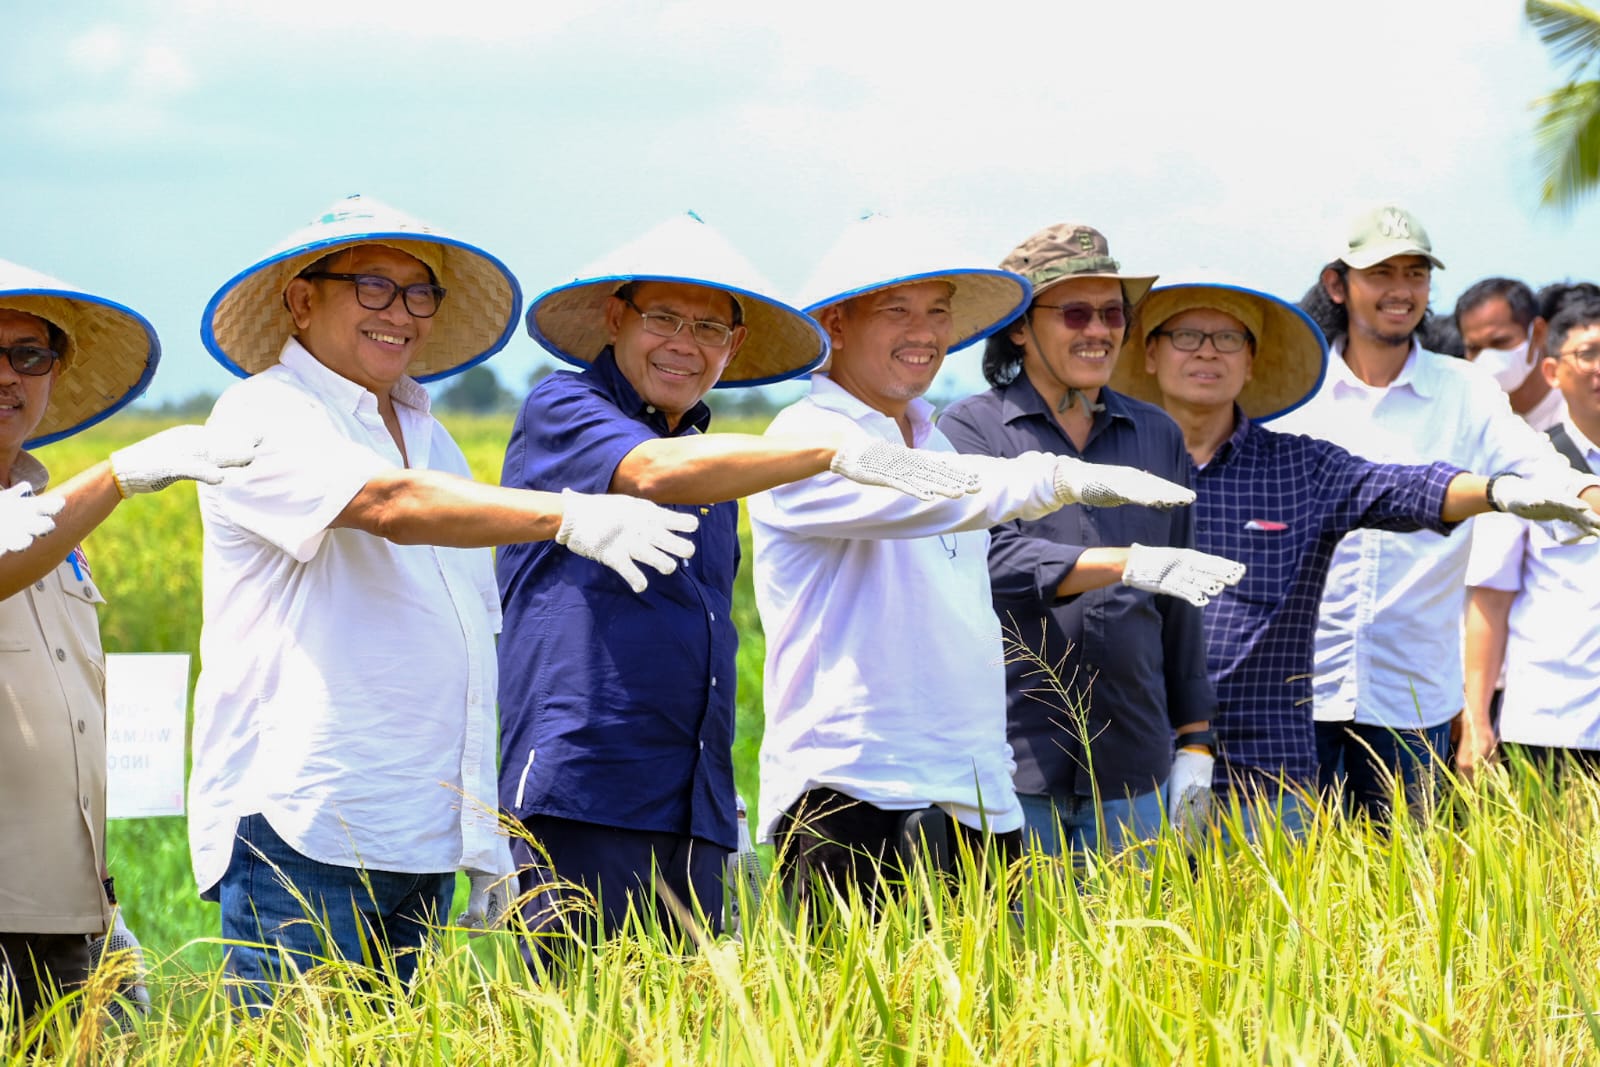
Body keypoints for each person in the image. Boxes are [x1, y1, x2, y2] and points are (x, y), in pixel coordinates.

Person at [187, 195, 701, 1006]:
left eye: (419, 294)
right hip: (311, 819)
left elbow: (468, 627)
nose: (401, 314)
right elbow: (387, 504)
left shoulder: (434, 434)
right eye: (373, 287)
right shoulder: (262, 413)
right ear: (301, 297)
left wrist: (480, 828)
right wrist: (568, 514)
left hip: (418, 826)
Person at [498, 213, 982, 966]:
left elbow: (711, 621)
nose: (684, 345)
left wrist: (719, 787)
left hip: (692, 796)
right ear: (615, 316)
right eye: (663, 318)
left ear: (735, 345)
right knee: (575, 1015)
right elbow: (650, 471)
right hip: (585, 781)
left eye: (710, 328)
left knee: (678, 1025)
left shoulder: (712, 460)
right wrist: (834, 452)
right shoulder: (564, 408)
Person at [751, 214, 1211, 902]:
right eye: (897, 309)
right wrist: (1055, 479)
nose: (925, 331)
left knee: (998, 1003)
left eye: (938, 312)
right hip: (854, 785)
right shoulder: (809, 437)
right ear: (836, 323)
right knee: (849, 1002)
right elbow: (940, 497)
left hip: (973, 787)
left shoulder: (934, 441)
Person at [1109, 279, 1600, 836]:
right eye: (1186, 336)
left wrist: (1498, 493)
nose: (1206, 351)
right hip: (1131, 767)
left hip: (1264, 775)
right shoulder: (1112, 472)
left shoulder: (1298, 468)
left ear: (1251, 362)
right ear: (1150, 353)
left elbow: (1406, 488)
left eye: (1227, 338)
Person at [1275, 204, 1600, 817]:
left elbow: (1535, 466)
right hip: (1297, 686)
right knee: (1294, 884)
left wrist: (1582, 497)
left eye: (1416, 274)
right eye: (1382, 273)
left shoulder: (1465, 390)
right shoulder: (1298, 387)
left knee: (1405, 887)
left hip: (1412, 696)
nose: (1401, 291)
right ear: (1337, 284)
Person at [1, 258, 253, 1023]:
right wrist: (118, 475)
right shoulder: (64, 512)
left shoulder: (49, 518)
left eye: (28, 355)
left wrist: (106, 913)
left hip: (68, 914)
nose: (8, 375)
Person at [940, 223, 1228, 857]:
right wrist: (1124, 563)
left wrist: (1197, 742)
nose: (1097, 331)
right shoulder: (968, 430)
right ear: (1019, 326)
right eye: (1074, 313)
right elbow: (988, 561)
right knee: (1018, 951)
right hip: (1012, 760)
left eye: (1112, 313)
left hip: (1137, 765)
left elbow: (1177, 601)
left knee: (1143, 953)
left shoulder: (1156, 434)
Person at [1463, 297, 1600, 783]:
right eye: (1588, 353)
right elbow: (1491, 600)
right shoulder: (1525, 465)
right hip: (1552, 722)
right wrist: (1476, 718)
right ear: (1552, 370)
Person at [1455, 277, 1563, 430]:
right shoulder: (1473, 426)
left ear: (1538, 333)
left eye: (1499, 342)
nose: (1486, 357)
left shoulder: (1584, 412)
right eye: (1474, 348)